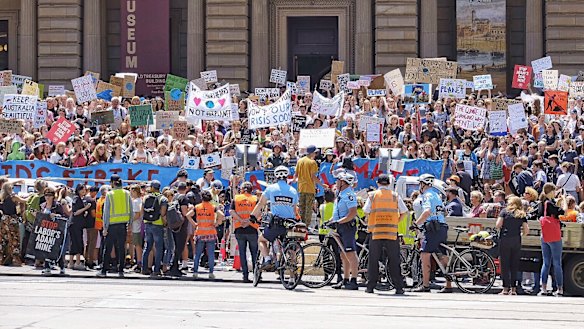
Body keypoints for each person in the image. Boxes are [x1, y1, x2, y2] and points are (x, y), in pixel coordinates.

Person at [363, 174, 408, 294]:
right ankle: (398, 287)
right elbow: (404, 212)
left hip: (376, 233)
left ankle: (370, 286)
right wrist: (395, 221)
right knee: (394, 260)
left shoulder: (372, 195)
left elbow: (366, 211)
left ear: (378, 183)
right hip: (391, 233)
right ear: (389, 184)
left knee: (373, 260)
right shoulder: (395, 196)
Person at [251, 166, 299, 270]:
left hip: (277, 223)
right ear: (287, 176)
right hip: (290, 224)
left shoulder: (271, 188)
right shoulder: (293, 191)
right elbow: (295, 209)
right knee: (290, 249)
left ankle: (267, 259)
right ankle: (292, 278)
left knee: (261, 239)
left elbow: (261, 203)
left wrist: (253, 215)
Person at [412, 174, 453, 293]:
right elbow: (443, 212)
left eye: (420, 183)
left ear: (424, 184)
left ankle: (425, 285)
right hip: (442, 226)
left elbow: (427, 211)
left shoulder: (426, 195)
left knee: (425, 255)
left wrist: (416, 223)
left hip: (432, 228)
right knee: (442, 255)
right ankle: (448, 284)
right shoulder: (437, 195)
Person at [97, 174, 133, 278]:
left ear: (113, 184)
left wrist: (105, 227)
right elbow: (131, 210)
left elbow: (106, 212)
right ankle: (121, 270)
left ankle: (104, 270)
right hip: (123, 225)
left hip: (112, 225)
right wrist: (130, 223)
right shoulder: (127, 193)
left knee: (108, 248)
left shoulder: (110, 194)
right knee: (121, 248)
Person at [330, 172, 360, 290]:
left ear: (343, 182)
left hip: (347, 226)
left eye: (338, 180)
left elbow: (352, 213)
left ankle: (354, 280)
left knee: (350, 253)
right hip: (340, 225)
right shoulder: (340, 194)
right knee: (343, 254)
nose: (336, 182)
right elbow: (338, 211)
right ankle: (345, 279)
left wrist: (339, 221)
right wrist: (331, 220)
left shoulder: (349, 194)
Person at [496, 196, 529, 295]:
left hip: (505, 239)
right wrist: (520, 234)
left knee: (505, 264)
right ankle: (514, 289)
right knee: (514, 265)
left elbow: (498, 225)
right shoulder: (522, 214)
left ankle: (505, 289)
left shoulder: (504, 212)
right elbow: (527, 230)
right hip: (516, 240)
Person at [537, 183, 565, 296]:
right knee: (557, 263)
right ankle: (560, 288)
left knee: (546, 262)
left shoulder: (541, 204)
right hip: (554, 236)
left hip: (544, 235)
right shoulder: (550, 203)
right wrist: (563, 200)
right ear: (551, 191)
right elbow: (563, 212)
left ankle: (543, 288)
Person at [193, 190, 224, 280]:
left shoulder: (197, 207)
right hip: (211, 232)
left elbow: (188, 215)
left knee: (197, 254)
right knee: (210, 254)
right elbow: (221, 215)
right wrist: (217, 223)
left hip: (200, 232)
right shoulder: (213, 207)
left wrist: (194, 223)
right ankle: (211, 272)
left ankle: (195, 272)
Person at [231, 182, 259, 282]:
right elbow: (258, 213)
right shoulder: (255, 199)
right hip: (252, 228)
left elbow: (231, 211)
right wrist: (248, 222)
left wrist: (241, 220)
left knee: (242, 253)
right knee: (254, 253)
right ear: (251, 189)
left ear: (242, 189)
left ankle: (245, 276)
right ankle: (256, 275)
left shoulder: (236, 198)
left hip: (239, 229)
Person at [294, 145, 326, 227]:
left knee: (301, 208)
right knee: (308, 209)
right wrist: (322, 185)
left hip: (301, 188)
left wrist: (294, 181)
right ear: (312, 153)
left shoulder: (300, 161)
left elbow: (296, 175)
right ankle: (306, 227)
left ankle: (300, 225)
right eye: (315, 153)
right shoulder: (312, 162)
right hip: (309, 188)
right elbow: (313, 177)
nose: (315, 154)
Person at [141, 180, 168, 277]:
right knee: (159, 247)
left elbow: (142, 211)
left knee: (147, 247)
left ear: (152, 187)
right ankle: (156, 269)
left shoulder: (145, 197)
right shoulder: (163, 199)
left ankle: (144, 268)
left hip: (148, 224)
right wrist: (165, 223)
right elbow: (163, 213)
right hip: (158, 224)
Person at [40, 187, 68, 276]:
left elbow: (63, 216)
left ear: (53, 196)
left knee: (56, 249)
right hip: (45, 230)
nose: (47, 197)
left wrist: (55, 215)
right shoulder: (43, 205)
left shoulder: (57, 205)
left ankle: (62, 266)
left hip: (55, 230)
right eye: (46, 195)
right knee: (45, 249)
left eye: (50, 195)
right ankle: (47, 267)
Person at [169, 182, 194, 277]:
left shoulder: (175, 197)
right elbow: (184, 213)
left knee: (176, 246)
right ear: (186, 188)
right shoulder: (184, 198)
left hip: (174, 224)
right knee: (180, 246)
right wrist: (191, 209)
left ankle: (174, 265)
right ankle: (174, 266)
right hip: (181, 226)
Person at [318, 189, 343, 284]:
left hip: (322, 232)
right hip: (333, 232)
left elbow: (319, 218)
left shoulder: (321, 207)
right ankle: (339, 275)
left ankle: (326, 275)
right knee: (336, 254)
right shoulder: (335, 206)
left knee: (325, 254)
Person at [0, 182, 28, 266]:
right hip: (12, 220)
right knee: (14, 239)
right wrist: (30, 195)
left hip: (4, 219)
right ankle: (16, 260)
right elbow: (24, 201)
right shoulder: (13, 197)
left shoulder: (2, 197)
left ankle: (2, 259)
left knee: (4, 240)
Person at [70, 184, 91, 270]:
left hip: (77, 224)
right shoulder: (76, 199)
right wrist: (85, 208)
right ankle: (77, 262)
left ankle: (72, 263)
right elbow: (75, 212)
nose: (83, 191)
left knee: (74, 243)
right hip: (75, 224)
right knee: (77, 242)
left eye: (85, 190)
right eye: (82, 189)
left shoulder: (80, 199)